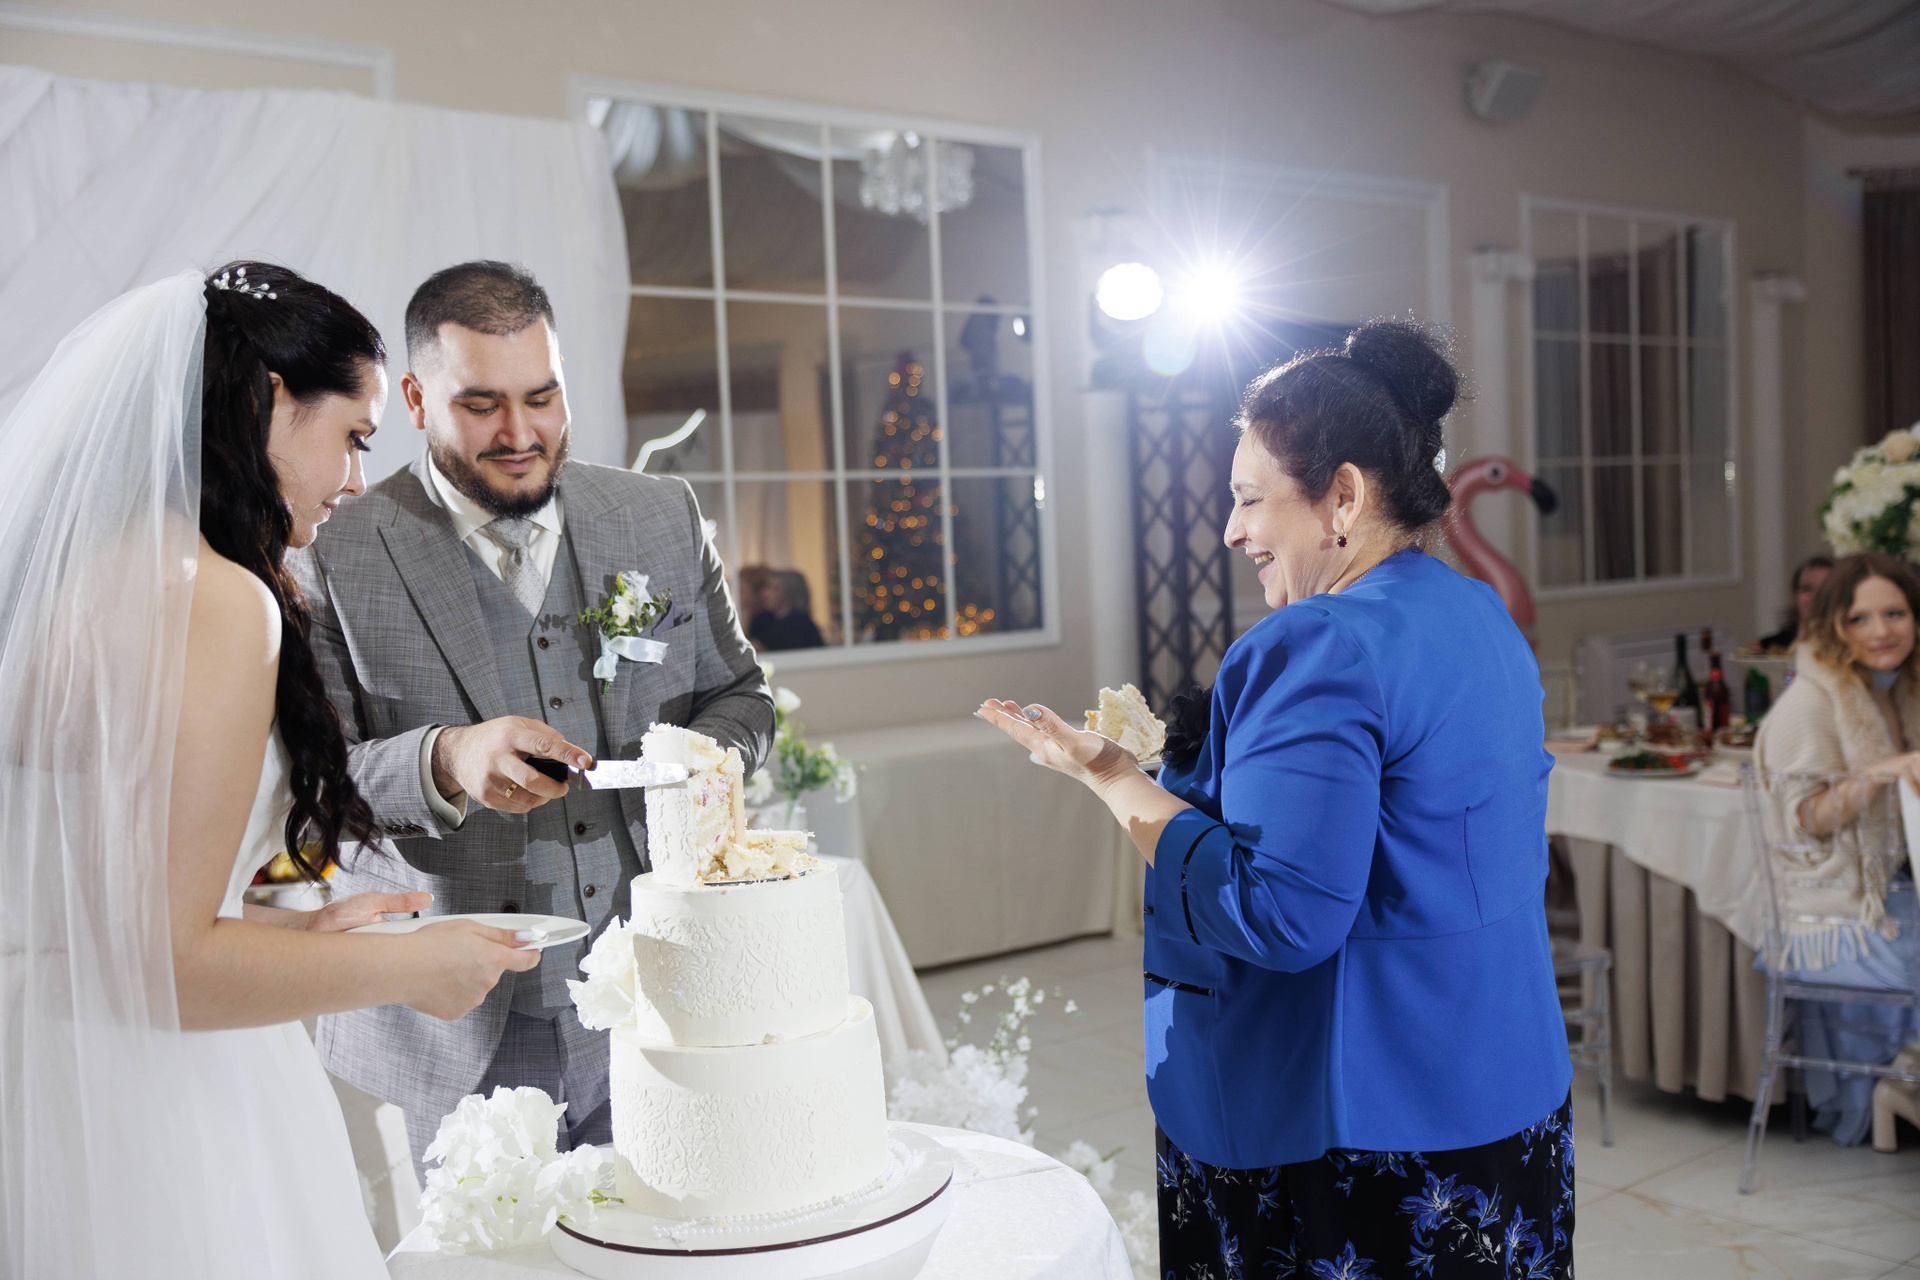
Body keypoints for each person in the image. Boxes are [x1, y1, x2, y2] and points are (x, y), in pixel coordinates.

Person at [980, 321, 1574, 1277]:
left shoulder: (1316, 643)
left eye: (1250, 499)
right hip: (1505, 1093)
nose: (1231, 531)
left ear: (1343, 496)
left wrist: (1114, 777)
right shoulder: (1479, 613)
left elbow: (1281, 914)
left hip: (1358, 1137)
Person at [0, 265, 539, 1278]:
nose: (355, 479)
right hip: (145, 1098)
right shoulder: (213, 599)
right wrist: (412, 967)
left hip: (35, 1073)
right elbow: (163, 965)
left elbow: (93, 899)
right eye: (354, 435)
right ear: (272, 400)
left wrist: (286, 931)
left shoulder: (69, 578)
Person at [290, 261, 774, 1172]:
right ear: (415, 400)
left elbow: (743, 697)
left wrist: (699, 756)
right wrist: (444, 759)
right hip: (453, 1026)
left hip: (657, 993)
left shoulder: (660, 514)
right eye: (480, 406)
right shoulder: (331, 548)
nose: (520, 434)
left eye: (542, 397)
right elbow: (311, 787)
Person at [1753, 552, 1920, 1145]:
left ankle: (1903, 1084)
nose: (1880, 631)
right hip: (1831, 915)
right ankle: (1899, 1085)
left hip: (1891, 891)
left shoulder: (1900, 690)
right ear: (1832, 627)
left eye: (1895, 613)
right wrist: (1878, 773)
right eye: (1859, 618)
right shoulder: (1811, 700)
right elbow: (1808, 819)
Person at [1757, 554, 1834, 651]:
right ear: (1795, 594)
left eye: (1825, 588)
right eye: (1807, 589)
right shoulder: (1767, 647)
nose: (1816, 597)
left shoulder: (1850, 646)